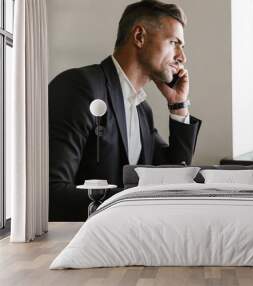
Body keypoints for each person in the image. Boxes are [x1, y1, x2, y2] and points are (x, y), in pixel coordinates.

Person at [49, 0, 201, 221]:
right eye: (173, 42)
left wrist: (178, 106)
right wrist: (137, 203)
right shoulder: (79, 87)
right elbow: (52, 193)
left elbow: (173, 177)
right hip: (78, 245)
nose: (182, 57)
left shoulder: (142, 112)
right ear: (139, 36)